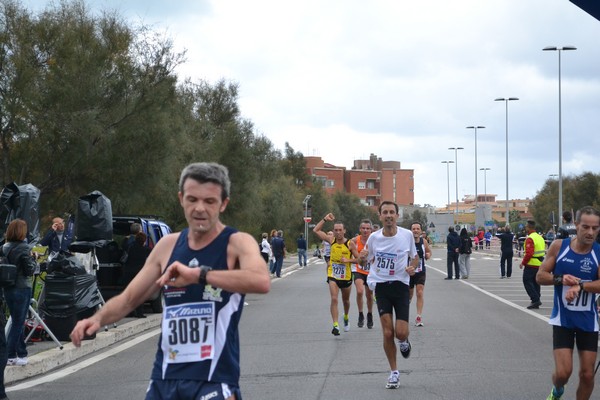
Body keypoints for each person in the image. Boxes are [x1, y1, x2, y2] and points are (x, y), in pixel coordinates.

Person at [70, 162, 270, 400]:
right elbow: (128, 299)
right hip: (165, 379)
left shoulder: (237, 242)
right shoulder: (168, 246)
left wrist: (198, 275)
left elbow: (261, 280)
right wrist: (96, 319)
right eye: (192, 199)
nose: (199, 209)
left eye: (209, 201)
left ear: (223, 203)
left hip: (214, 379)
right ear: (181, 199)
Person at [536, 206, 600, 400]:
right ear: (576, 225)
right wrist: (561, 279)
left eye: (595, 228)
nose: (590, 232)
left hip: (588, 320)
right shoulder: (559, 246)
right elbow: (540, 276)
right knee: (563, 374)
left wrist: (581, 286)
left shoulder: (598, 252)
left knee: (587, 375)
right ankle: (557, 390)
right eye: (586, 227)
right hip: (563, 319)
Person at [362, 201, 418, 389]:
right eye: (384, 212)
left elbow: (415, 256)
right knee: (387, 332)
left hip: (401, 285)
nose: (388, 215)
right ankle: (394, 372)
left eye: (391, 212)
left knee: (400, 331)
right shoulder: (374, 238)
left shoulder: (407, 235)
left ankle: (403, 340)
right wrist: (362, 256)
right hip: (381, 287)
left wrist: (413, 267)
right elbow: (366, 258)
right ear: (380, 216)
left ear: (397, 215)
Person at [313, 213, 359, 336]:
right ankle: (335, 325)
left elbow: (359, 259)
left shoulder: (350, 244)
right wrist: (324, 219)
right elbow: (316, 230)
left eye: (340, 230)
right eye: (336, 230)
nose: (338, 232)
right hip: (333, 274)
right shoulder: (331, 240)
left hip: (346, 276)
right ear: (333, 231)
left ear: (344, 231)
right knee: (334, 298)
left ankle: (346, 316)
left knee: (346, 301)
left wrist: (348, 260)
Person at [0, 219, 37, 367]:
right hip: (22, 287)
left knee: (17, 320)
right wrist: (34, 259)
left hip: (8, 287)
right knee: (18, 322)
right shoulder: (24, 247)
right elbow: (29, 270)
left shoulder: (4, 247)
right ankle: (10, 354)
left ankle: (20, 353)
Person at [121, 231, 152, 318]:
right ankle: (139, 313)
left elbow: (123, 246)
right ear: (144, 240)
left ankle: (128, 312)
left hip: (128, 272)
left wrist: (126, 238)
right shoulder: (146, 250)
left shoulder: (129, 247)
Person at [351, 219, 374, 329]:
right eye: (363, 228)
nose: (365, 230)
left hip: (370, 271)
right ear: (360, 229)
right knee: (360, 291)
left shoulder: (375, 240)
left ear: (371, 230)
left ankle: (369, 314)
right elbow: (357, 258)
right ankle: (361, 314)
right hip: (359, 269)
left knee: (369, 295)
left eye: (367, 228)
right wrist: (361, 256)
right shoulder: (355, 241)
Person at [519, 220, 545, 309]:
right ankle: (537, 298)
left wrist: (523, 263)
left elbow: (529, 253)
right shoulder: (540, 237)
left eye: (526, 226)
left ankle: (535, 299)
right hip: (540, 263)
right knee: (536, 282)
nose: (525, 228)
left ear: (529, 227)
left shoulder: (530, 238)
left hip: (531, 264)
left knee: (527, 281)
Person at [409, 221, 431, 327]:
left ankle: (418, 316)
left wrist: (427, 255)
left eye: (418, 229)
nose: (415, 231)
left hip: (420, 271)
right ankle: (405, 312)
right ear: (411, 231)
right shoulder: (407, 242)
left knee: (420, 292)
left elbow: (429, 252)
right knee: (409, 295)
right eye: (414, 229)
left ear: (421, 231)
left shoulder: (424, 242)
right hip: (409, 272)